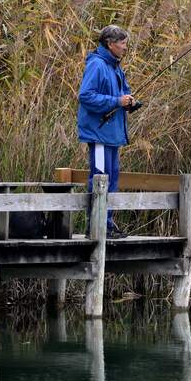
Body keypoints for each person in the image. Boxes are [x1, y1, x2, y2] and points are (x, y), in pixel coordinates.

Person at [77, 24, 136, 239]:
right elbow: (86, 96)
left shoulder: (114, 67)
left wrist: (128, 101)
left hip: (113, 134)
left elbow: (122, 93)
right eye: (122, 44)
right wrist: (116, 101)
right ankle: (97, 225)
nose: (125, 48)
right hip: (100, 134)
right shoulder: (97, 65)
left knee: (112, 180)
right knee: (100, 178)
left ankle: (107, 224)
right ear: (110, 44)